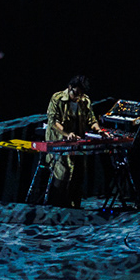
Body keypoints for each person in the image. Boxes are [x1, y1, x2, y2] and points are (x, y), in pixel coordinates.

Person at [43, 75, 103, 205]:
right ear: (70, 87)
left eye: (81, 94)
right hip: (59, 141)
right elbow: (53, 121)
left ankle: (74, 206)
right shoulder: (57, 98)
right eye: (76, 93)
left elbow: (91, 119)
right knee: (63, 172)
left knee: (79, 172)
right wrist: (67, 134)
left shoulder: (85, 100)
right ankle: (57, 205)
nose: (78, 97)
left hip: (77, 142)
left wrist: (98, 130)